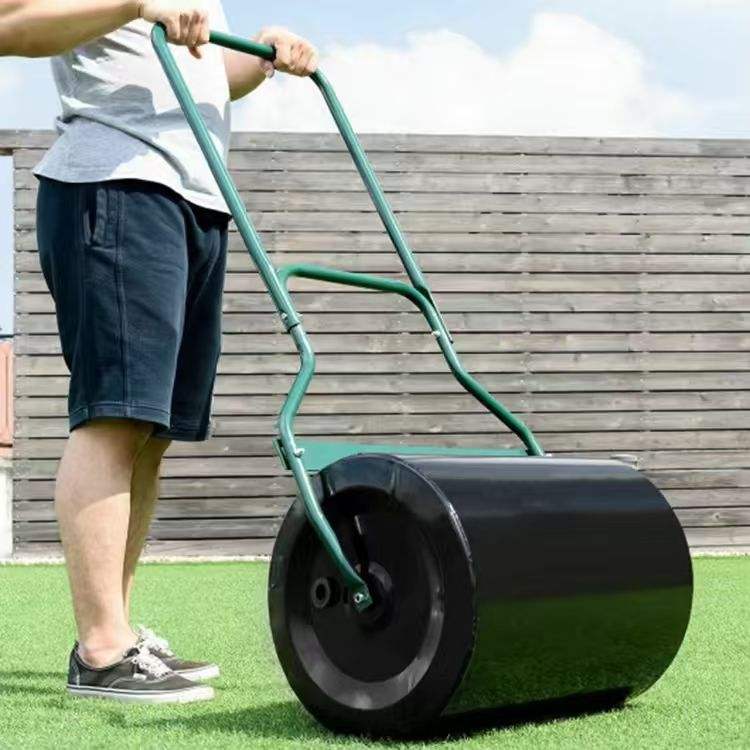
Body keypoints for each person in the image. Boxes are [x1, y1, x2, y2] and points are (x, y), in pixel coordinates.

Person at [0, 0, 318, 704]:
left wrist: (262, 55)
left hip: (197, 199)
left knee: (151, 429)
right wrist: (135, 3)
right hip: (116, 184)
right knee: (114, 415)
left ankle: (118, 633)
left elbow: (204, 74)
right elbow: (8, 27)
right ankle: (101, 650)